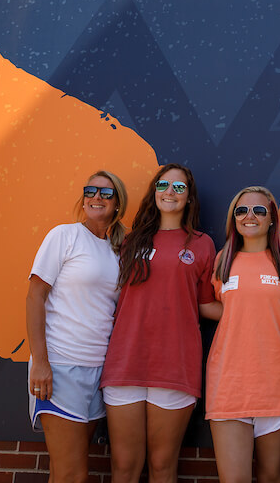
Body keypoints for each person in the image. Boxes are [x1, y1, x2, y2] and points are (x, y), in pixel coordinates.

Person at [100, 163, 218, 483]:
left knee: (162, 466)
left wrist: (255, 310)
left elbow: (206, 304)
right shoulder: (127, 240)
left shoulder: (202, 244)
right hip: (125, 363)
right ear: (154, 193)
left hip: (175, 365)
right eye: (164, 186)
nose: (170, 193)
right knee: (124, 467)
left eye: (179, 188)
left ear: (189, 198)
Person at [26, 170, 130, 483]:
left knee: (63, 472)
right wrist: (41, 362)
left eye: (105, 193)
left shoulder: (117, 250)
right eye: (90, 190)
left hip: (98, 371)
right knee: (74, 474)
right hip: (60, 368)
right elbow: (34, 297)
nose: (96, 197)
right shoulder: (64, 235)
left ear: (117, 204)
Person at [205, 186, 280, 483]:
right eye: (242, 210)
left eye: (259, 210)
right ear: (233, 218)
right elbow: (213, 306)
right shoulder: (223, 260)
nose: (250, 216)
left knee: (273, 477)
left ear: (272, 218)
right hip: (228, 385)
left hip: (277, 385)